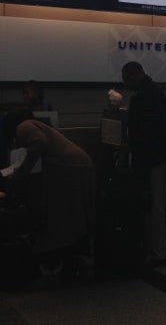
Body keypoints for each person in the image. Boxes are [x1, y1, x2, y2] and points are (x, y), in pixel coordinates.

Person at [2, 109, 96, 276]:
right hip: (77, 167)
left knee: (67, 217)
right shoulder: (38, 125)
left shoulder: (24, 126)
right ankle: (76, 258)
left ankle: (71, 260)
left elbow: (38, 143)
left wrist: (20, 173)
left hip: (71, 169)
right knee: (75, 216)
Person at [121, 61, 166, 267]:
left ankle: (159, 252)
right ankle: (155, 249)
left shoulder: (146, 96)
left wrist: (132, 148)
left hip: (155, 157)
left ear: (134, 75)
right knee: (154, 204)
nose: (125, 84)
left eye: (126, 80)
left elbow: (145, 131)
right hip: (160, 155)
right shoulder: (152, 92)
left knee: (155, 205)